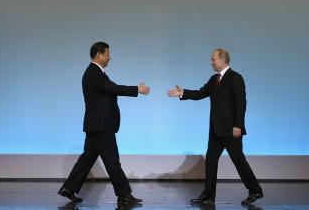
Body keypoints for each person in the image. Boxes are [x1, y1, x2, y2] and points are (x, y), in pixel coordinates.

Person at [59, 42, 150, 206]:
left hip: (95, 124)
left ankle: (69, 188)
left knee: (87, 159)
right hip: (101, 125)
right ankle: (124, 194)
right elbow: (112, 88)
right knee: (112, 160)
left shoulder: (95, 72)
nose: (109, 58)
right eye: (107, 54)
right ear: (99, 55)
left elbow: (108, 90)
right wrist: (136, 89)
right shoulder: (94, 72)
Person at [167, 48, 262, 205]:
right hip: (216, 130)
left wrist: (238, 125)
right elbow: (200, 93)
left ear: (222, 59)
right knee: (211, 161)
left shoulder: (235, 78)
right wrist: (182, 93)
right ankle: (209, 196)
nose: (211, 62)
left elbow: (241, 103)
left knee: (239, 161)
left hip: (231, 130)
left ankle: (255, 190)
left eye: (213, 59)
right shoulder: (213, 79)